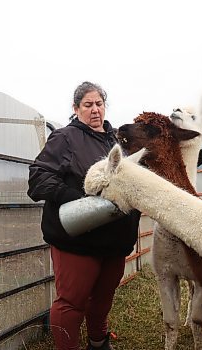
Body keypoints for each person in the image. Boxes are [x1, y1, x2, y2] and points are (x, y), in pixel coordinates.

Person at [27, 82, 140, 350]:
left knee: (102, 298)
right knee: (72, 302)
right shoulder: (66, 138)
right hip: (78, 239)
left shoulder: (119, 143)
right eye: (88, 105)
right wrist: (77, 199)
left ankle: (98, 342)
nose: (95, 110)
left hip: (114, 241)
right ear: (76, 108)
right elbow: (38, 177)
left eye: (99, 104)